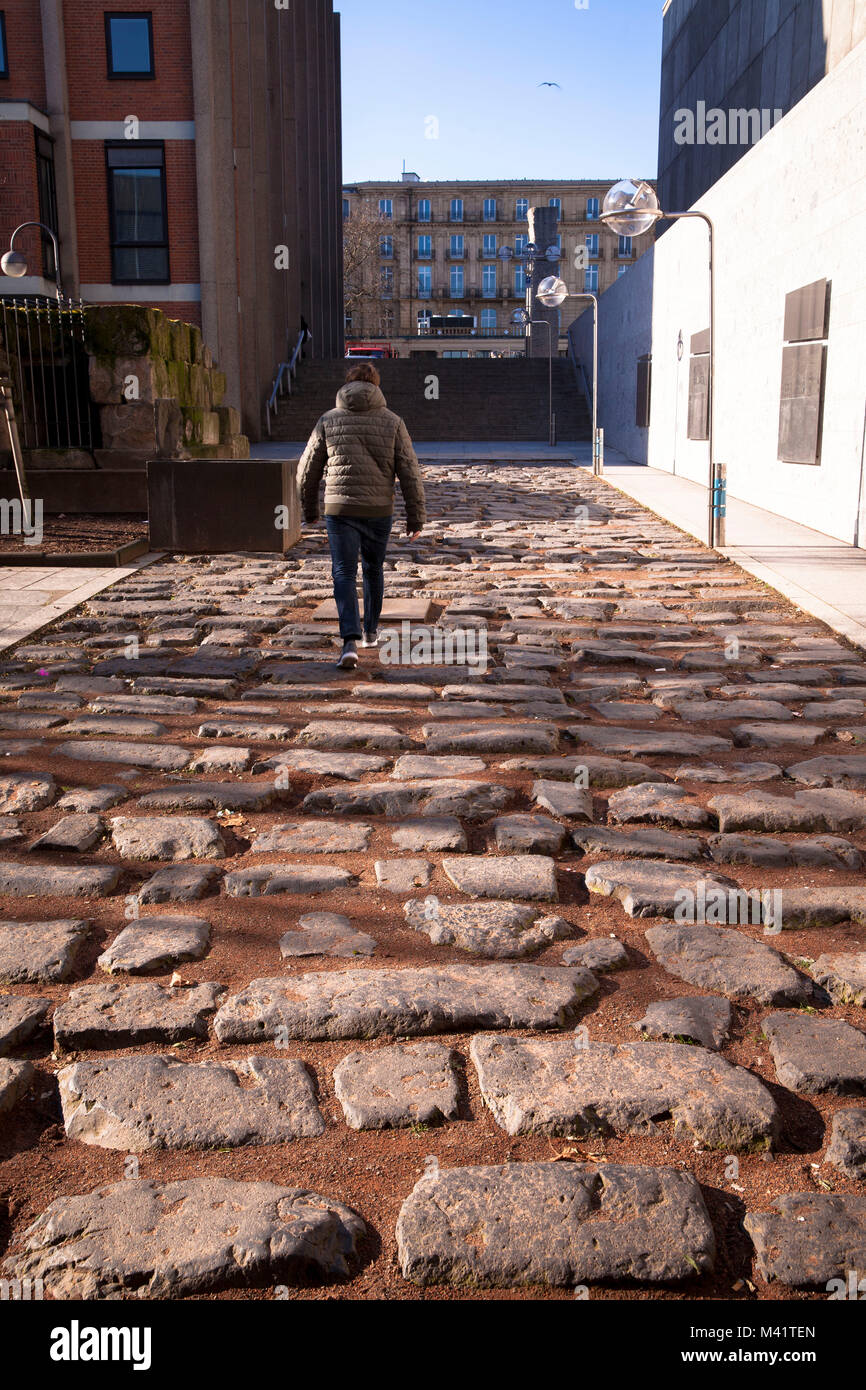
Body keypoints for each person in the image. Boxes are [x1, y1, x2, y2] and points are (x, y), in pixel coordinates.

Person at [297, 362, 426, 669]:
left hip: (340, 508)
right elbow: (409, 471)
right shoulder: (393, 421)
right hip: (378, 509)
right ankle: (370, 632)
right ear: (376, 387)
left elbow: (307, 470)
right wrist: (415, 517)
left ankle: (349, 642)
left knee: (342, 571)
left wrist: (310, 510)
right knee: (373, 569)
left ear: (347, 385)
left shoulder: (328, 420)